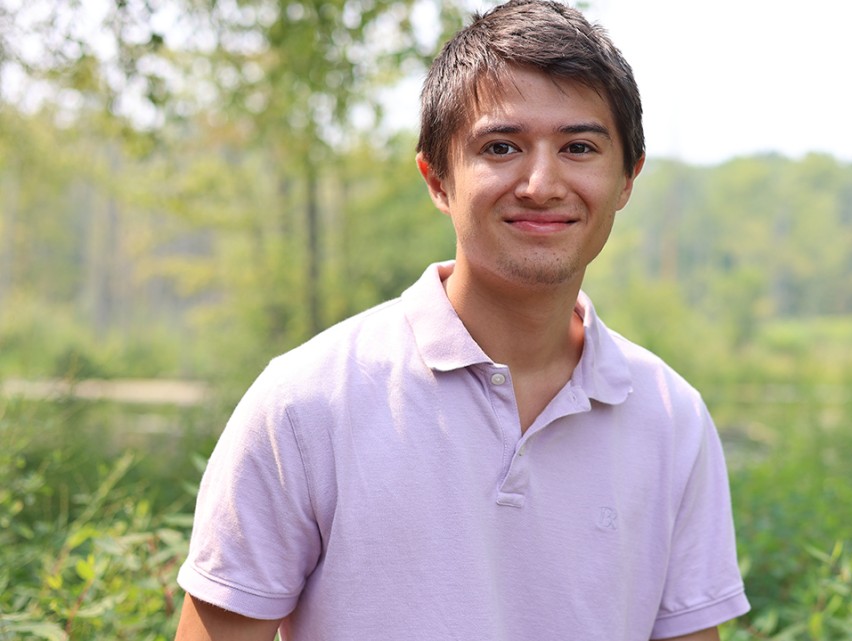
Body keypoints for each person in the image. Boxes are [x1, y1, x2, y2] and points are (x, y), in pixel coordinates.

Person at [174, 1, 750, 639]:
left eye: (579, 147)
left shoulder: (670, 416)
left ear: (626, 179)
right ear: (437, 178)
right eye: (501, 147)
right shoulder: (306, 403)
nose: (541, 183)